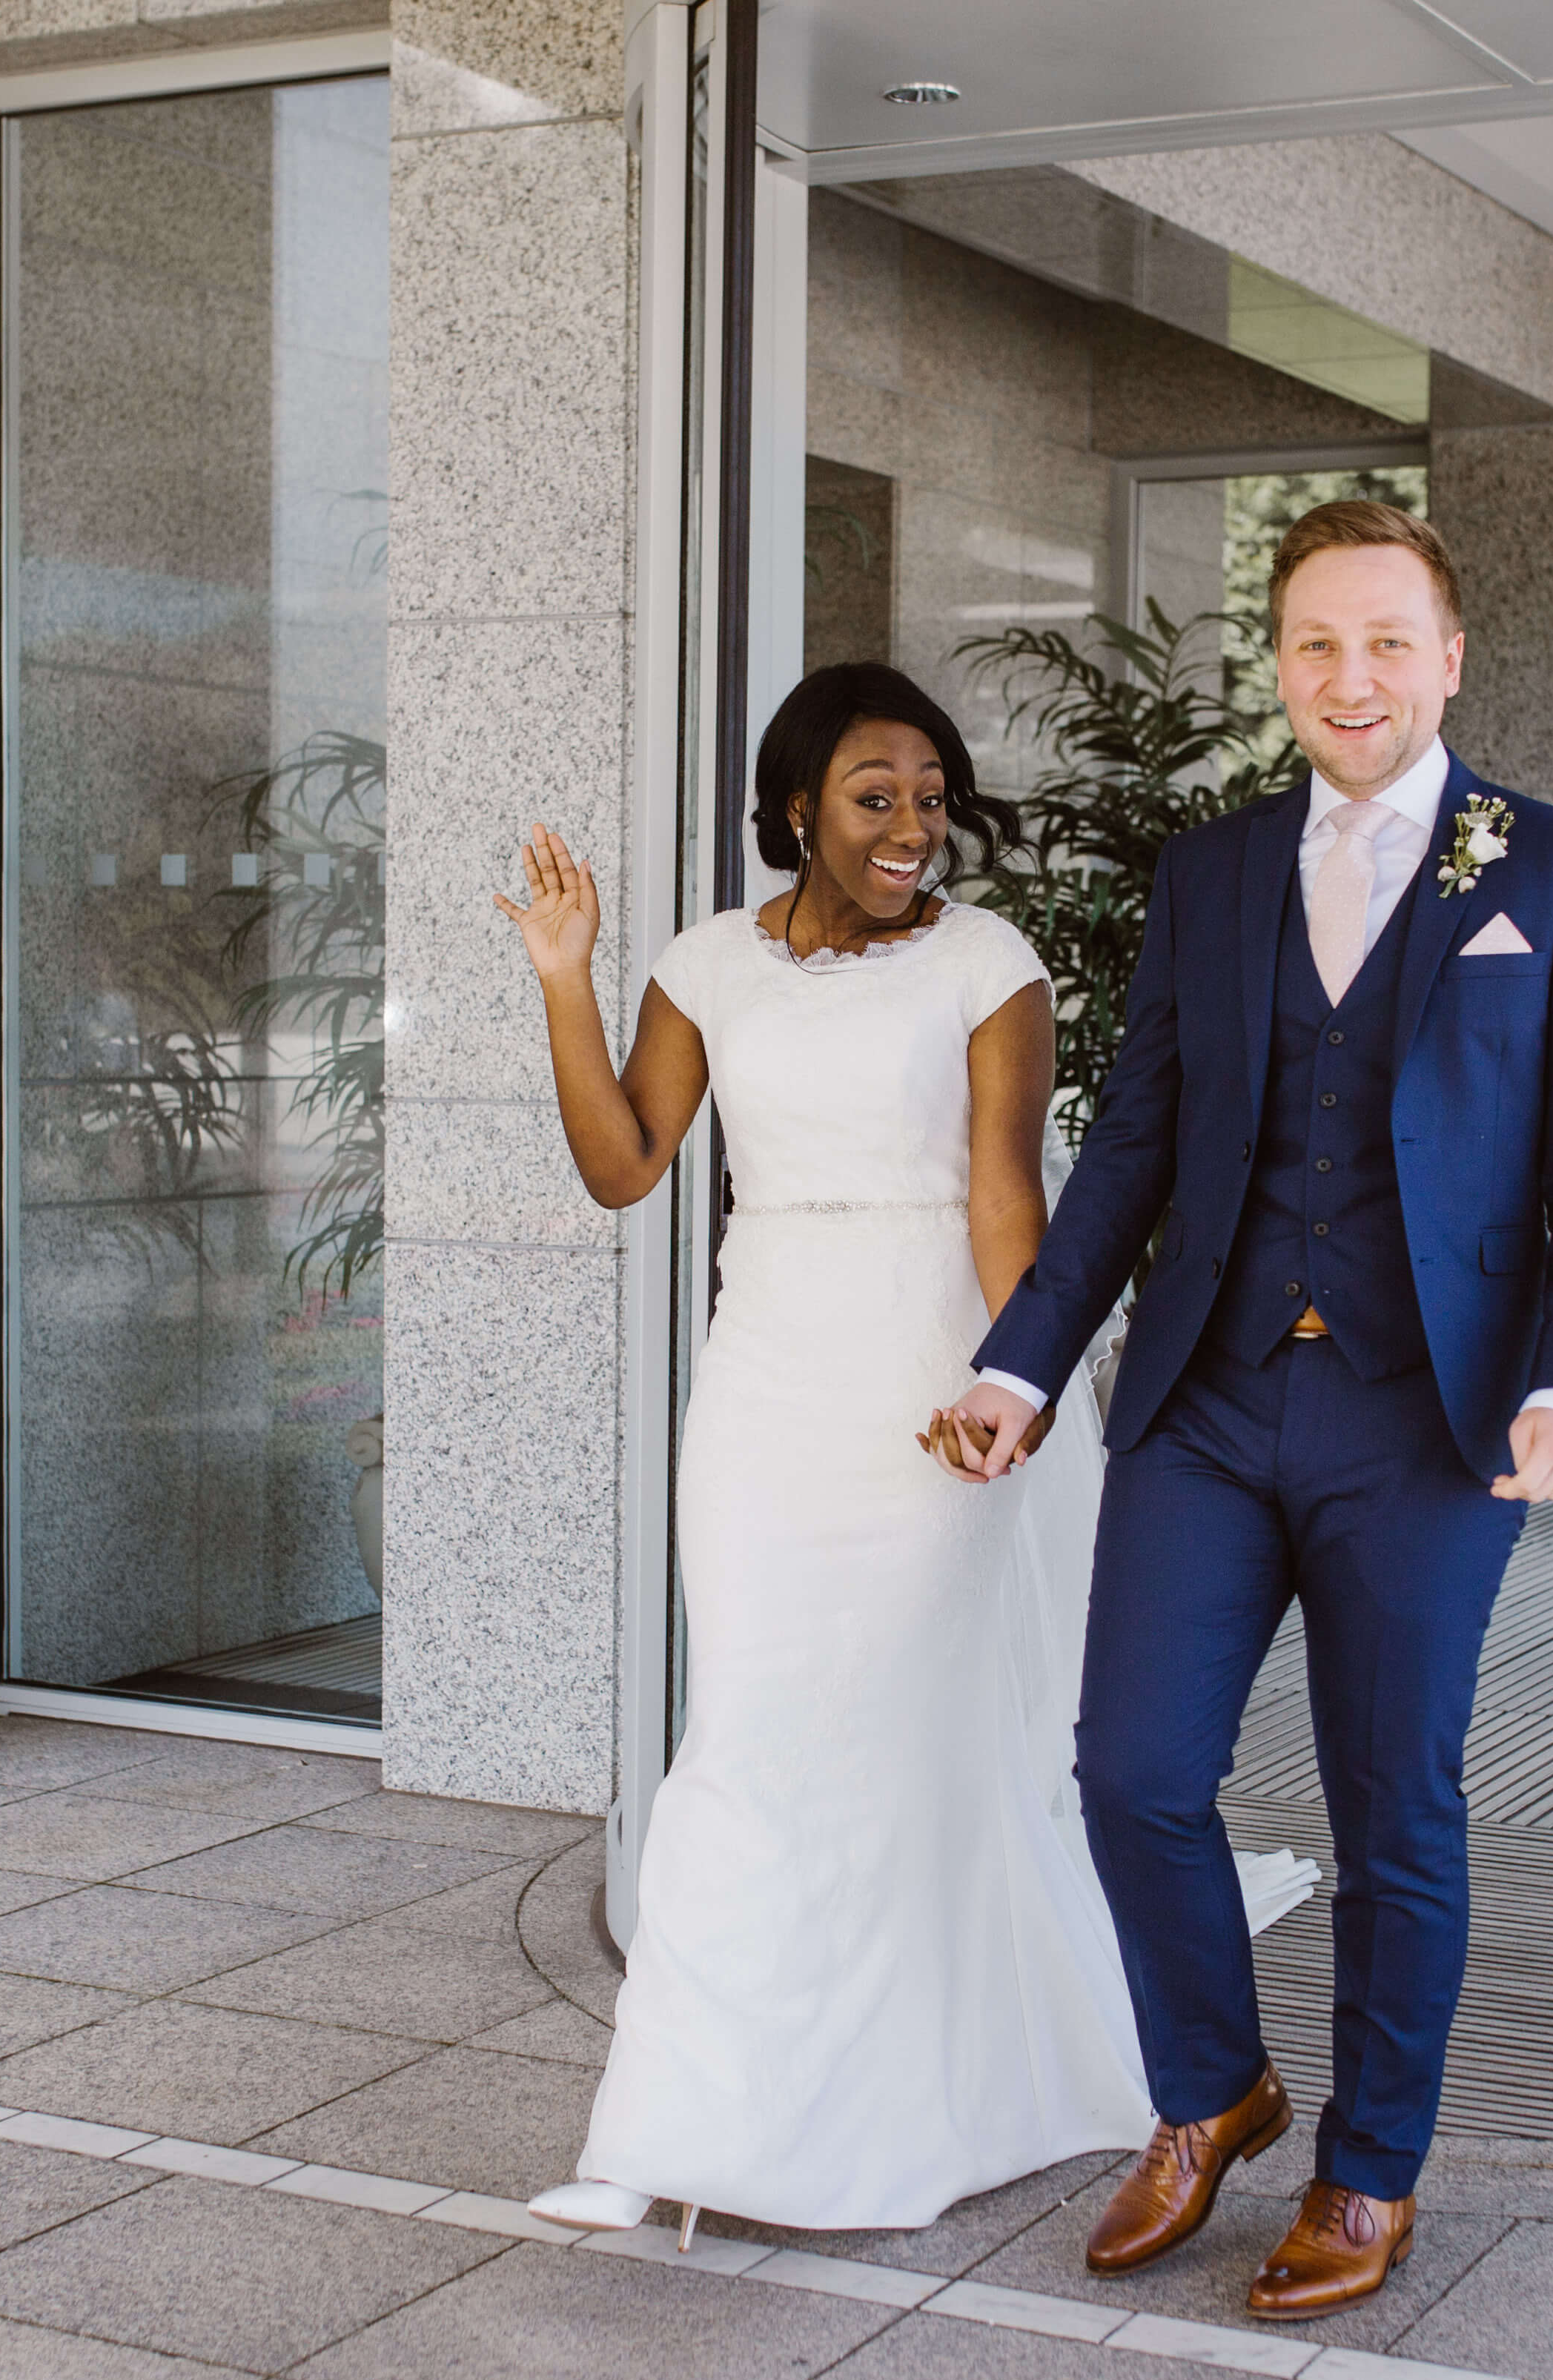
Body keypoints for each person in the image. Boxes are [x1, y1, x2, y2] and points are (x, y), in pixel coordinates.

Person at [941, 502, 1553, 2318]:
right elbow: (1136, 1151)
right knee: (1131, 1769)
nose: (1351, 677)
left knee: (1388, 1802)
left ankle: (1367, 2163)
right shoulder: (1215, 869)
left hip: (1428, 1422)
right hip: (1207, 1393)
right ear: (1279, 665)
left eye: (1386, 641)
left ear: (1449, 655)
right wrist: (1019, 1360)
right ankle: (1212, 2087)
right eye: (1316, 644)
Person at [494, 663, 1155, 2234]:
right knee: (741, 1735)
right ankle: (671, 2129)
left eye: (930, 797)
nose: (911, 826)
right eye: (875, 797)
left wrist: (1020, 1377)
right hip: (767, 1386)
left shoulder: (988, 962)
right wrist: (564, 978)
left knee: (885, 1747)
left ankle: (886, 2113)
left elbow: (1006, 1192)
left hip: (930, 1385)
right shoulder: (708, 961)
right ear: (797, 806)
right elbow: (622, 1165)